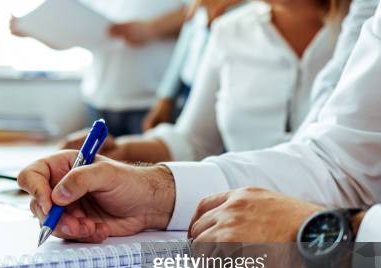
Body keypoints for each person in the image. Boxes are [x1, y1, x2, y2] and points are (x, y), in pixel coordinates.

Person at [17, 0, 381, 245]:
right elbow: (342, 166)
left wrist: (325, 241)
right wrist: (150, 191)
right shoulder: (231, 29)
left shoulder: (356, 23)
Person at [62, 0, 349, 163]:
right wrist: (122, 150)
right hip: (242, 219)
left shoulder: (368, 29)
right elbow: (195, 142)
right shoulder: (229, 30)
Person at [10, 0, 186, 136]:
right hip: (100, 99)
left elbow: (198, 11)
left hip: (152, 101)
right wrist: (37, 28)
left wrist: (151, 28)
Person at [143, 0, 244, 131]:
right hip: (187, 89)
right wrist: (166, 98)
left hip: (225, 93)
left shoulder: (247, 13)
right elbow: (183, 49)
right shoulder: (198, 8)